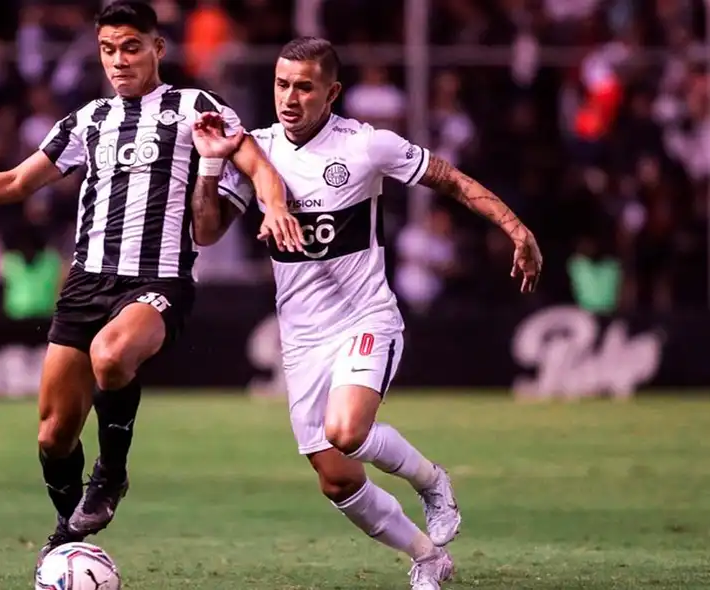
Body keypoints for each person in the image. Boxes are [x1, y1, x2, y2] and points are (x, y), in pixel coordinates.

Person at [0, 0, 303, 564]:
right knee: (53, 436)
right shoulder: (87, 120)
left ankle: (109, 475)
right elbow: (15, 182)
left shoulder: (193, 106)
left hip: (158, 281)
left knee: (112, 355)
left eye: (131, 47)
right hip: (87, 282)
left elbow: (255, 162)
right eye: (108, 49)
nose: (119, 60)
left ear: (157, 48)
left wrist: (274, 206)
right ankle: (68, 533)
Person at [199, 37, 543, 590]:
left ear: (331, 93)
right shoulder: (257, 150)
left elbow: (450, 179)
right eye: (282, 84)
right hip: (302, 337)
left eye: (305, 86)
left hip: (365, 318)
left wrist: (516, 228)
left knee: (347, 430)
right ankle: (427, 556)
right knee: (336, 481)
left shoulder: (367, 146)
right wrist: (211, 167)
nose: (290, 97)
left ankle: (432, 481)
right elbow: (205, 230)